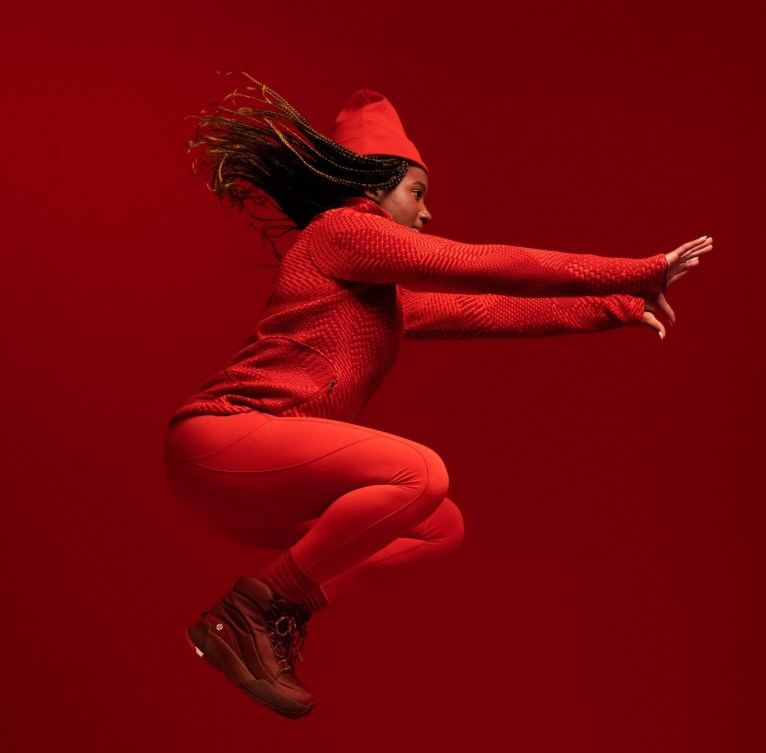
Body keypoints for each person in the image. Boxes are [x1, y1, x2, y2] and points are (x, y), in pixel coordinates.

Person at [165, 77, 712, 719]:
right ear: (373, 187)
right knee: (419, 473)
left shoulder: (377, 295)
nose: (425, 213)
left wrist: (616, 307)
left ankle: (276, 617)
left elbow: (483, 310)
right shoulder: (345, 229)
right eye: (416, 193)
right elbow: (483, 264)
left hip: (249, 485)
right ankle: (251, 612)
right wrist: (631, 268)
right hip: (221, 441)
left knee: (437, 525)